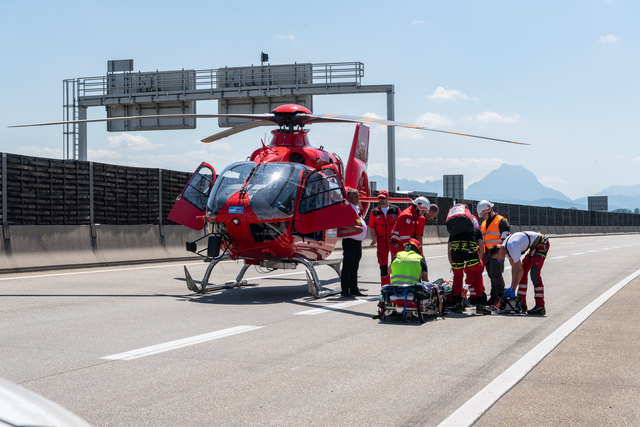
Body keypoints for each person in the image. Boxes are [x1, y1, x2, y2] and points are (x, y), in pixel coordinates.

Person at [488, 231, 550, 315]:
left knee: (534, 273)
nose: (498, 260)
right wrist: (512, 286)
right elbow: (514, 268)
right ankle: (522, 304)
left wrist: (514, 289)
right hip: (534, 246)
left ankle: (540, 306)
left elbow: (519, 270)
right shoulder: (505, 249)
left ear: (500, 251)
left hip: (541, 244)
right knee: (523, 274)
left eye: (496, 257)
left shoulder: (513, 247)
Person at [447, 206, 491, 315]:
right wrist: (479, 259)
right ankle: (481, 305)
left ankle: (458, 304)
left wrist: (451, 262)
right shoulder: (476, 230)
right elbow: (481, 246)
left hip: (456, 254)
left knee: (457, 278)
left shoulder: (453, 232)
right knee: (477, 276)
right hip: (471, 254)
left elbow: (449, 249)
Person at [477, 200, 511, 307]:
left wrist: (502, 254)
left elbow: (506, 240)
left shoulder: (501, 221)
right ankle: (494, 296)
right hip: (487, 253)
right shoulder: (483, 223)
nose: (482, 217)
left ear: (490, 210)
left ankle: (501, 295)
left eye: (484, 214)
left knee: (496, 275)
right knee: (491, 275)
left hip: (497, 253)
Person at [338, 188, 368, 297]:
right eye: (356, 196)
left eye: (358, 196)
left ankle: (354, 289)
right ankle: (345, 290)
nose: (358, 199)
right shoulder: (346, 208)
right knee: (348, 267)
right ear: (349, 196)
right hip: (350, 242)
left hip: (356, 243)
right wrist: (355, 228)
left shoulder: (354, 208)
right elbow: (340, 223)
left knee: (354, 267)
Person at [368, 190, 400, 287]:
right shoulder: (374, 212)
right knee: (383, 265)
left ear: (388, 198)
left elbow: (400, 224)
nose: (381, 200)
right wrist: (374, 238)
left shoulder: (396, 209)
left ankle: (396, 285)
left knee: (396, 263)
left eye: (383, 198)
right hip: (381, 241)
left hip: (394, 241)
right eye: (379, 198)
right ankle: (385, 287)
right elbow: (372, 227)